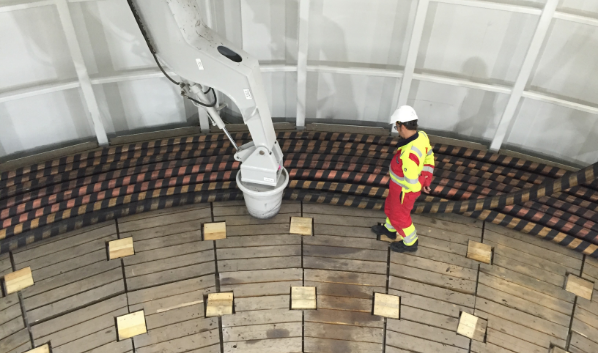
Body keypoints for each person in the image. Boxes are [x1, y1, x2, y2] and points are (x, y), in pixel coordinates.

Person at [371, 106, 435, 252]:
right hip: (398, 188)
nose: (397, 129)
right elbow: (429, 158)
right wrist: (426, 179)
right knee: (390, 208)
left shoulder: (409, 155)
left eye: (397, 126)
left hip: (404, 191)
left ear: (403, 126)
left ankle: (411, 243)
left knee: (400, 217)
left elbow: (412, 183)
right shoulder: (422, 136)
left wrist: (411, 190)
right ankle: (389, 229)